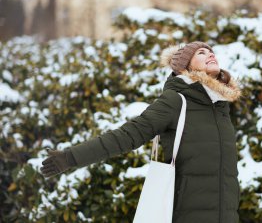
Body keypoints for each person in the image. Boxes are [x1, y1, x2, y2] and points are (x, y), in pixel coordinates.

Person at [41, 41, 242, 223]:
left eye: (211, 52)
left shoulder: (220, 107)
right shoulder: (175, 101)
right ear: (184, 66)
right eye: (201, 52)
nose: (210, 54)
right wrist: (70, 158)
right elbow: (127, 135)